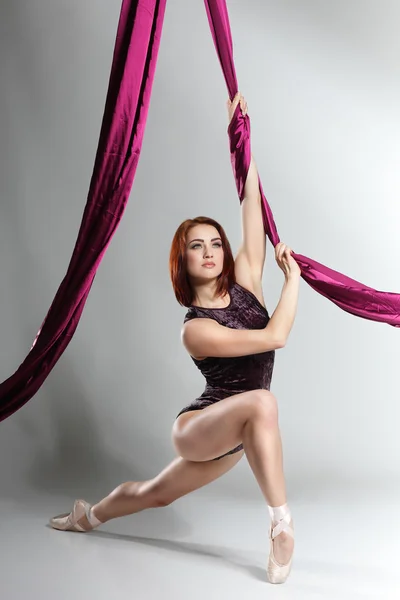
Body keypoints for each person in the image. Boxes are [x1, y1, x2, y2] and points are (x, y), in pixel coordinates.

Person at [49, 93, 301, 585]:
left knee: (153, 494)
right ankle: (282, 527)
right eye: (195, 246)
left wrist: (241, 136)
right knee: (263, 404)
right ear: (182, 261)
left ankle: (88, 514)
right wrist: (292, 280)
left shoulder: (247, 279)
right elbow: (276, 336)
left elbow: (251, 198)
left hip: (239, 436)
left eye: (214, 243)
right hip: (200, 426)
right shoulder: (196, 328)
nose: (208, 252)